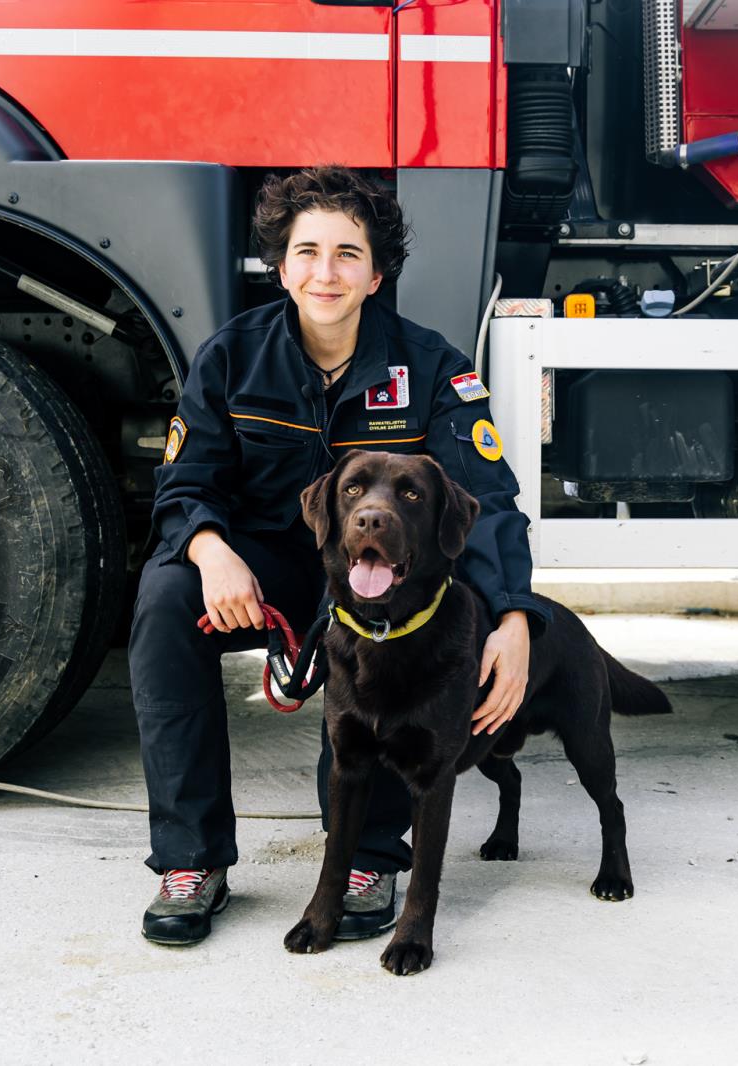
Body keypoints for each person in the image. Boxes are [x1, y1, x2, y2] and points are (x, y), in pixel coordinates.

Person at [128, 165, 549, 946]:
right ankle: (191, 859)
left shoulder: (432, 367)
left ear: (376, 274)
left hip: (380, 575)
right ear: (281, 267)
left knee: (425, 621)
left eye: (348, 254)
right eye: (308, 252)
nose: (327, 272)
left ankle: (366, 859)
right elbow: (186, 482)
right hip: (263, 567)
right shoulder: (230, 357)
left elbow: (486, 501)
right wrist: (212, 552)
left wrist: (515, 617)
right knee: (163, 600)